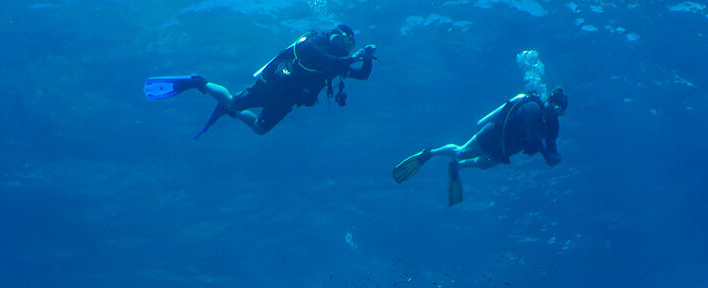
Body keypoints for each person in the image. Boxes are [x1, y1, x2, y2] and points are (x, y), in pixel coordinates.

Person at [145, 25, 376, 138]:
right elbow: (321, 57)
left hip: (287, 100)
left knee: (260, 129)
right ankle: (199, 83)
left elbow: (362, 75)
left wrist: (367, 59)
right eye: (346, 41)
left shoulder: (338, 65)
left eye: (351, 44)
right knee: (232, 103)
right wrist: (350, 59)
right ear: (335, 36)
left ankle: (230, 108)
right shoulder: (315, 42)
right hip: (272, 85)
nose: (347, 47)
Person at [392, 88, 567, 205]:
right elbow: (531, 135)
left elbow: (551, 144)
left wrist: (554, 156)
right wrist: (547, 155)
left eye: (559, 109)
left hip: (506, 148)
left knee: (482, 165)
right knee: (462, 152)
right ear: (548, 101)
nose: (555, 110)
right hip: (493, 135)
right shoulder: (532, 108)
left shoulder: (553, 126)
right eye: (554, 105)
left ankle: (456, 167)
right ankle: (430, 153)